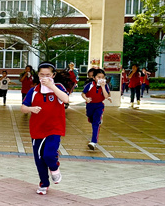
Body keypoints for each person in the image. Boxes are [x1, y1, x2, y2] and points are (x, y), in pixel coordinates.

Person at [20, 62, 70, 195]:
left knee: (48, 154)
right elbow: (23, 108)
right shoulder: (34, 90)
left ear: (53, 75)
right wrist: (31, 109)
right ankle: (44, 183)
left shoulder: (58, 87)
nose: (44, 77)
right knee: (39, 159)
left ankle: (54, 167)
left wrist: (51, 86)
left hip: (54, 128)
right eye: (42, 75)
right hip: (37, 129)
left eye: (48, 75)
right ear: (38, 75)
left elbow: (65, 99)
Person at [82, 68, 110, 150]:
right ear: (94, 78)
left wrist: (103, 87)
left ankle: (93, 141)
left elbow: (106, 96)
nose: (101, 79)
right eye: (98, 77)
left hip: (99, 106)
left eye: (102, 77)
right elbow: (83, 93)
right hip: (90, 105)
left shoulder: (105, 86)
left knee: (95, 123)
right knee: (90, 118)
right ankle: (95, 119)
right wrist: (86, 99)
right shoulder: (89, 85)